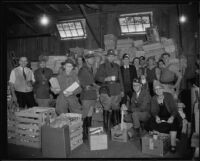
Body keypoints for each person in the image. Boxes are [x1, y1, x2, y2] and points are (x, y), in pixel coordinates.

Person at [95, 49, 124, 133]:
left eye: (112, 56)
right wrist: (105, 79)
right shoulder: (102, 66)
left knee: (116, 108)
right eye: (109, 56)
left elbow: (120, 79)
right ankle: (106, 128)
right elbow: (97, 77)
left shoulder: (117, 66)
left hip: (116, 90)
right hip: (106, 90)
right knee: (106, 108)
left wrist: (122, 90)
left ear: (114, 57)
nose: (111, 57)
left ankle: (116, 127)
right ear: (107, 57)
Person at [147, 81, 180, 153]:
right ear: (154, 91)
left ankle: (173, 144)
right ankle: (158, 140)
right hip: (160, 117)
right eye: (156, 89)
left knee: (174, 123)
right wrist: (156, 117)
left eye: (160, 88)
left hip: (170, 116)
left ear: (163, 89)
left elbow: (174, 109)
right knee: (150, 122)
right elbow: (153, 111)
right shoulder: (153, 98)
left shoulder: (169, 96)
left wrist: (172, 117)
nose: (158, 91)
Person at [78, 52, 98, 139]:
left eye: (93, 58)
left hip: (91, 95)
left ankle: (88, 131)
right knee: (84, 115)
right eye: (90, 58)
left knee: (89, 114)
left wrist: (95, 86)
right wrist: (96, 87)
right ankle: (82, 134)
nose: (92, 60)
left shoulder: (90, 68)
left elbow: (92, 83)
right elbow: (86, 85)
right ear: (86, 60)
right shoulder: (83, 69)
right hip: (86, 96)